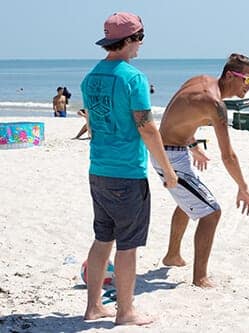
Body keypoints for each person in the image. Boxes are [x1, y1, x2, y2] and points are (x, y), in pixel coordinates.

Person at [80, 12, 177, 326]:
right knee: (128, 246)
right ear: (129, 40)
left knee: (102, 239)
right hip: (126, 173)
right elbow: (147, 128)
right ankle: (125, 312)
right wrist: (167, 169)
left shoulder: (90, 77)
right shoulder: (133, 78)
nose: (140, 45)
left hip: (99, 169)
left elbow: (92, 123)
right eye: (139, 38)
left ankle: (93, 307)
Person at [151, 53, 249, 288]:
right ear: (230, 75)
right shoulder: (215, 104)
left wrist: (192, 144)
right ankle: (200, 278)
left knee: (189, 202)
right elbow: (228, 155)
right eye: (247, 81)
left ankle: (172, 255)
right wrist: (243, 188)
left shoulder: (200, 80)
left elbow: (178, 117)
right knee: (211, 213)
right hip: (168, 156)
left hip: (173, 150)